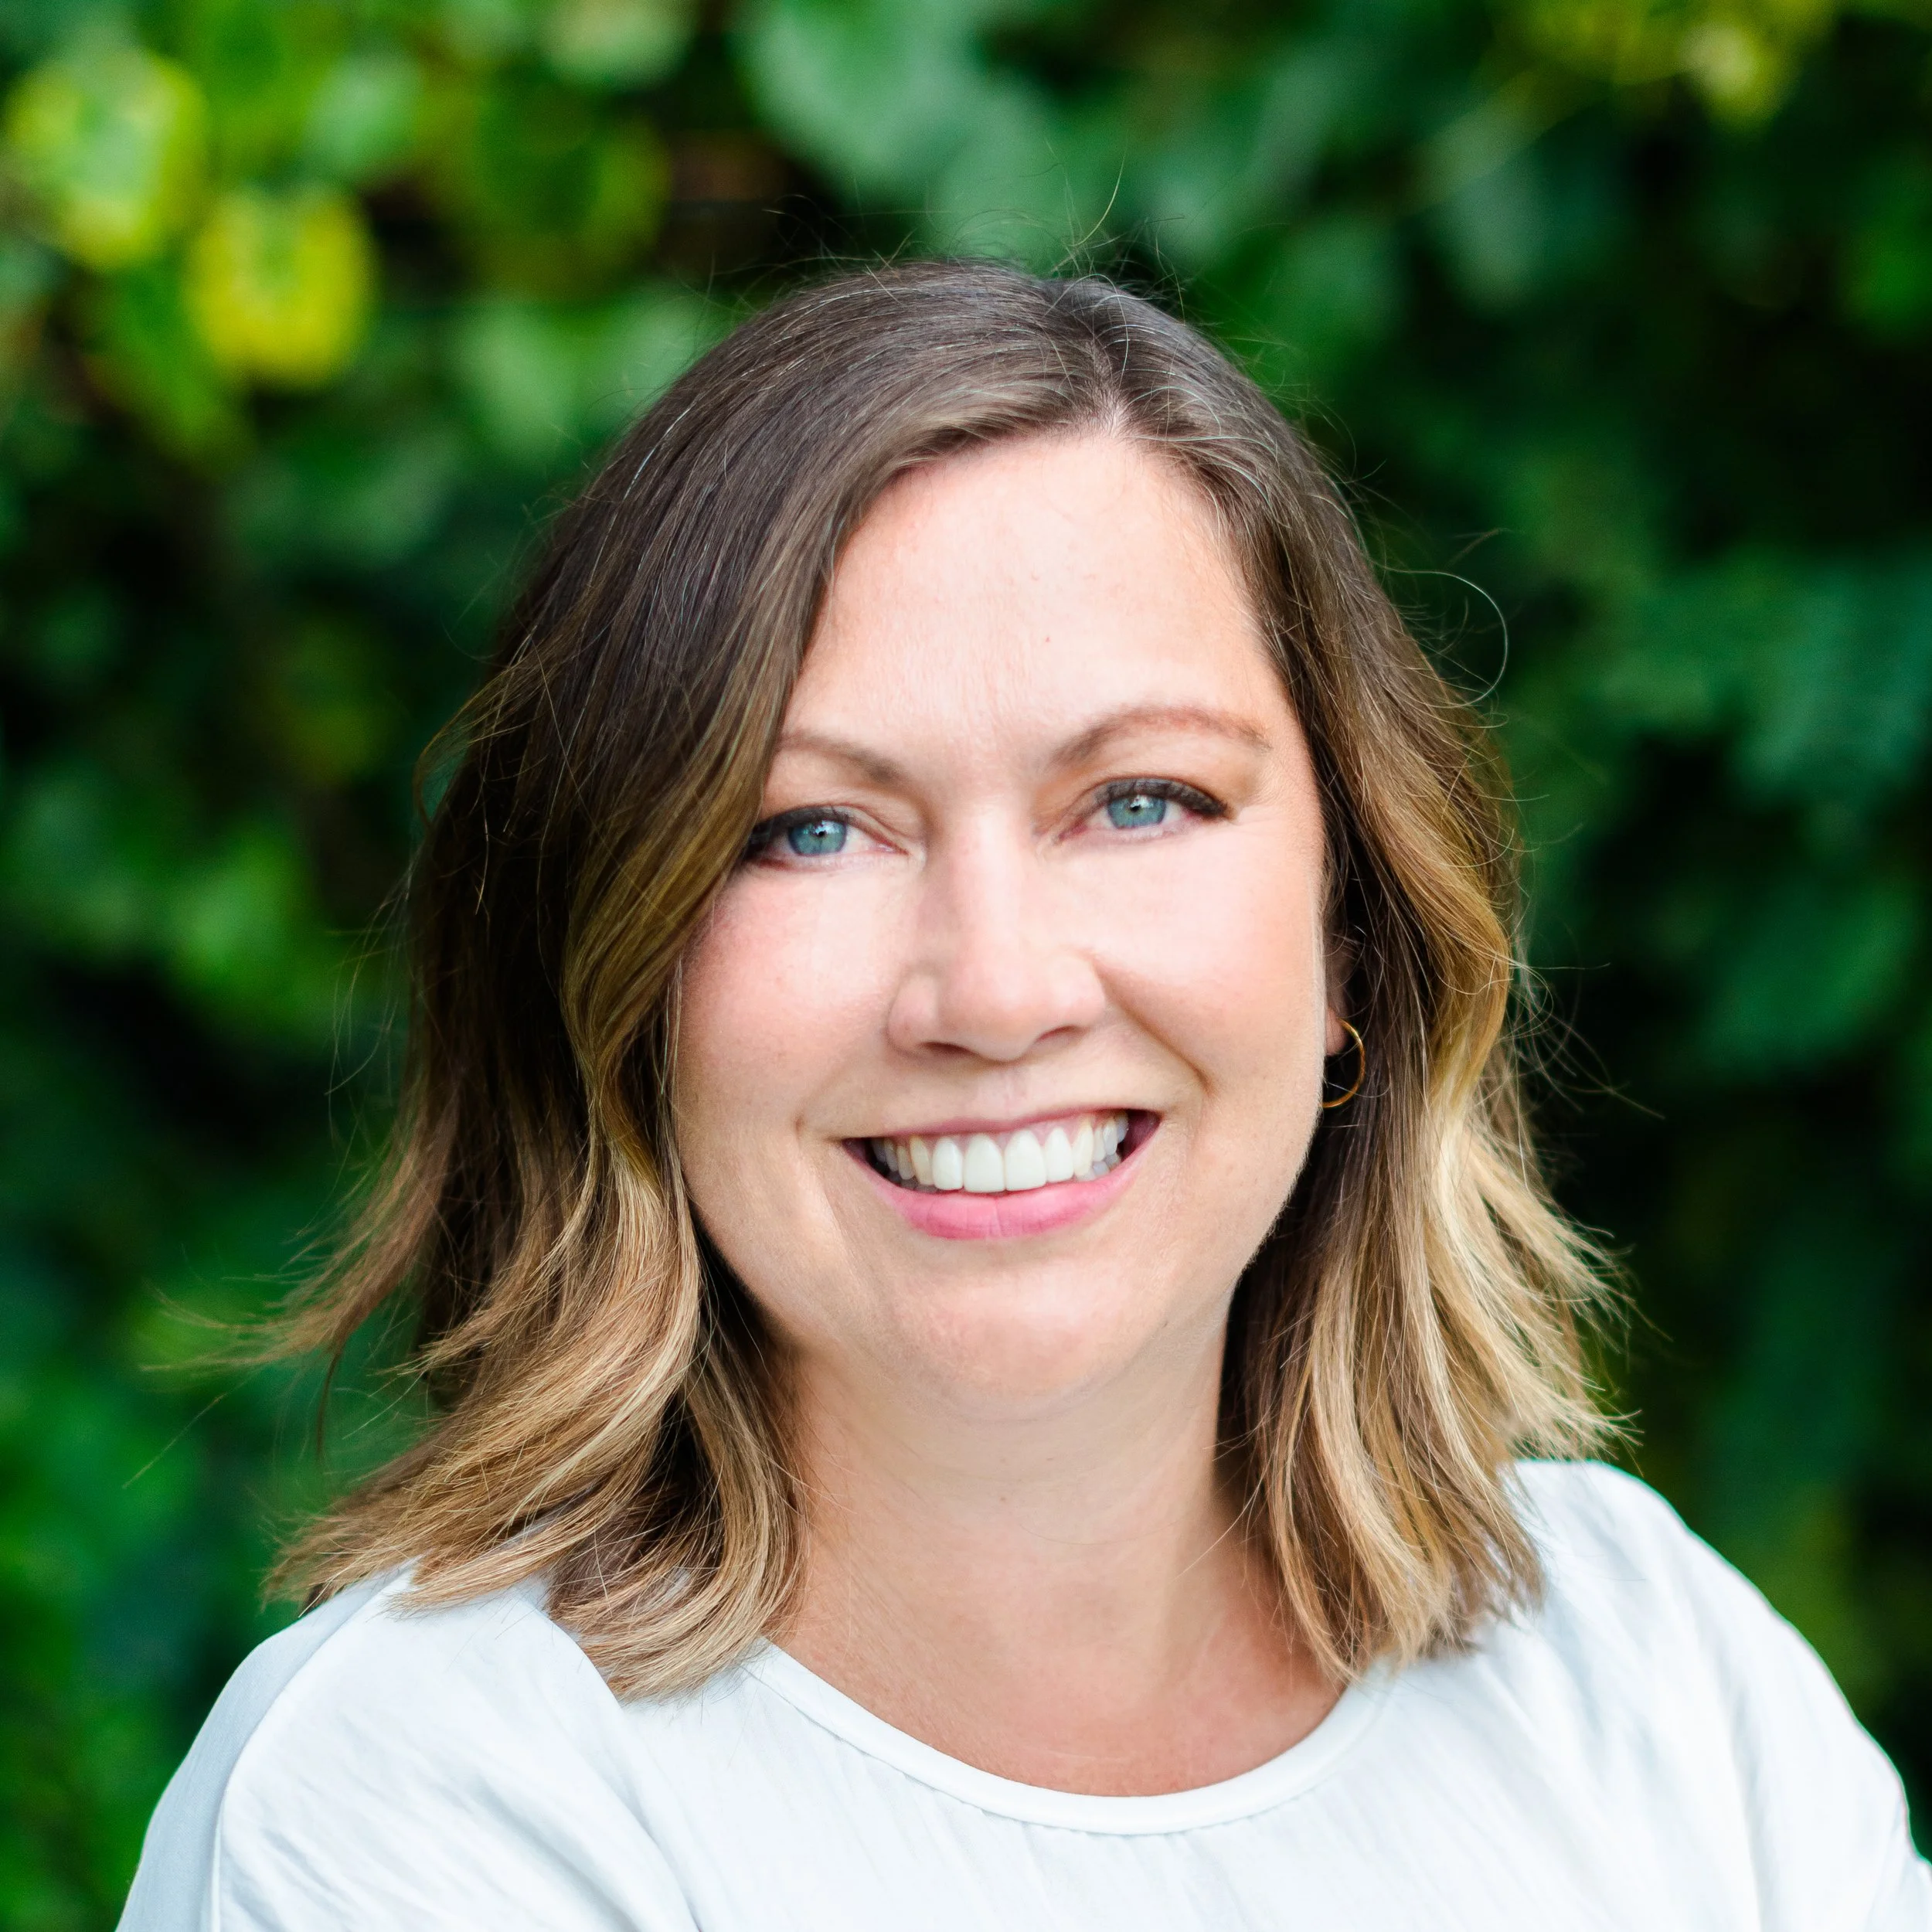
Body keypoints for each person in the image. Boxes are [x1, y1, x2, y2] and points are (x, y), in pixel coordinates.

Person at [120, 262, 1927, 1930]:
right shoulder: (427, 1800)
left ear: (1351, 939)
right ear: (619, 979)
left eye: (1139, 799)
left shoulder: (1651, 1675)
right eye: (807, 829)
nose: (993, 990)